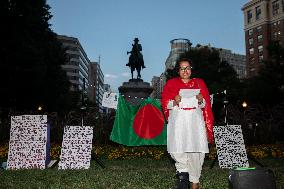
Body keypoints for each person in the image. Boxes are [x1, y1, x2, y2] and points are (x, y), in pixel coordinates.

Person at [161, 58, 214, 189]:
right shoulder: (171, 84)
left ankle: (195, 181)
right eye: (182, 68)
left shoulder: (199, 83)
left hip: (195, 122)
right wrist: (174, 101)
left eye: (188, 68)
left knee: (196, 150)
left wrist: (201, 100)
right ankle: (183, 176)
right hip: (178, 122)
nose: (185, 71)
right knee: (177, 149)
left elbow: (206, 105)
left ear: (191, 69)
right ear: (178, 71)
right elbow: (165, 104)